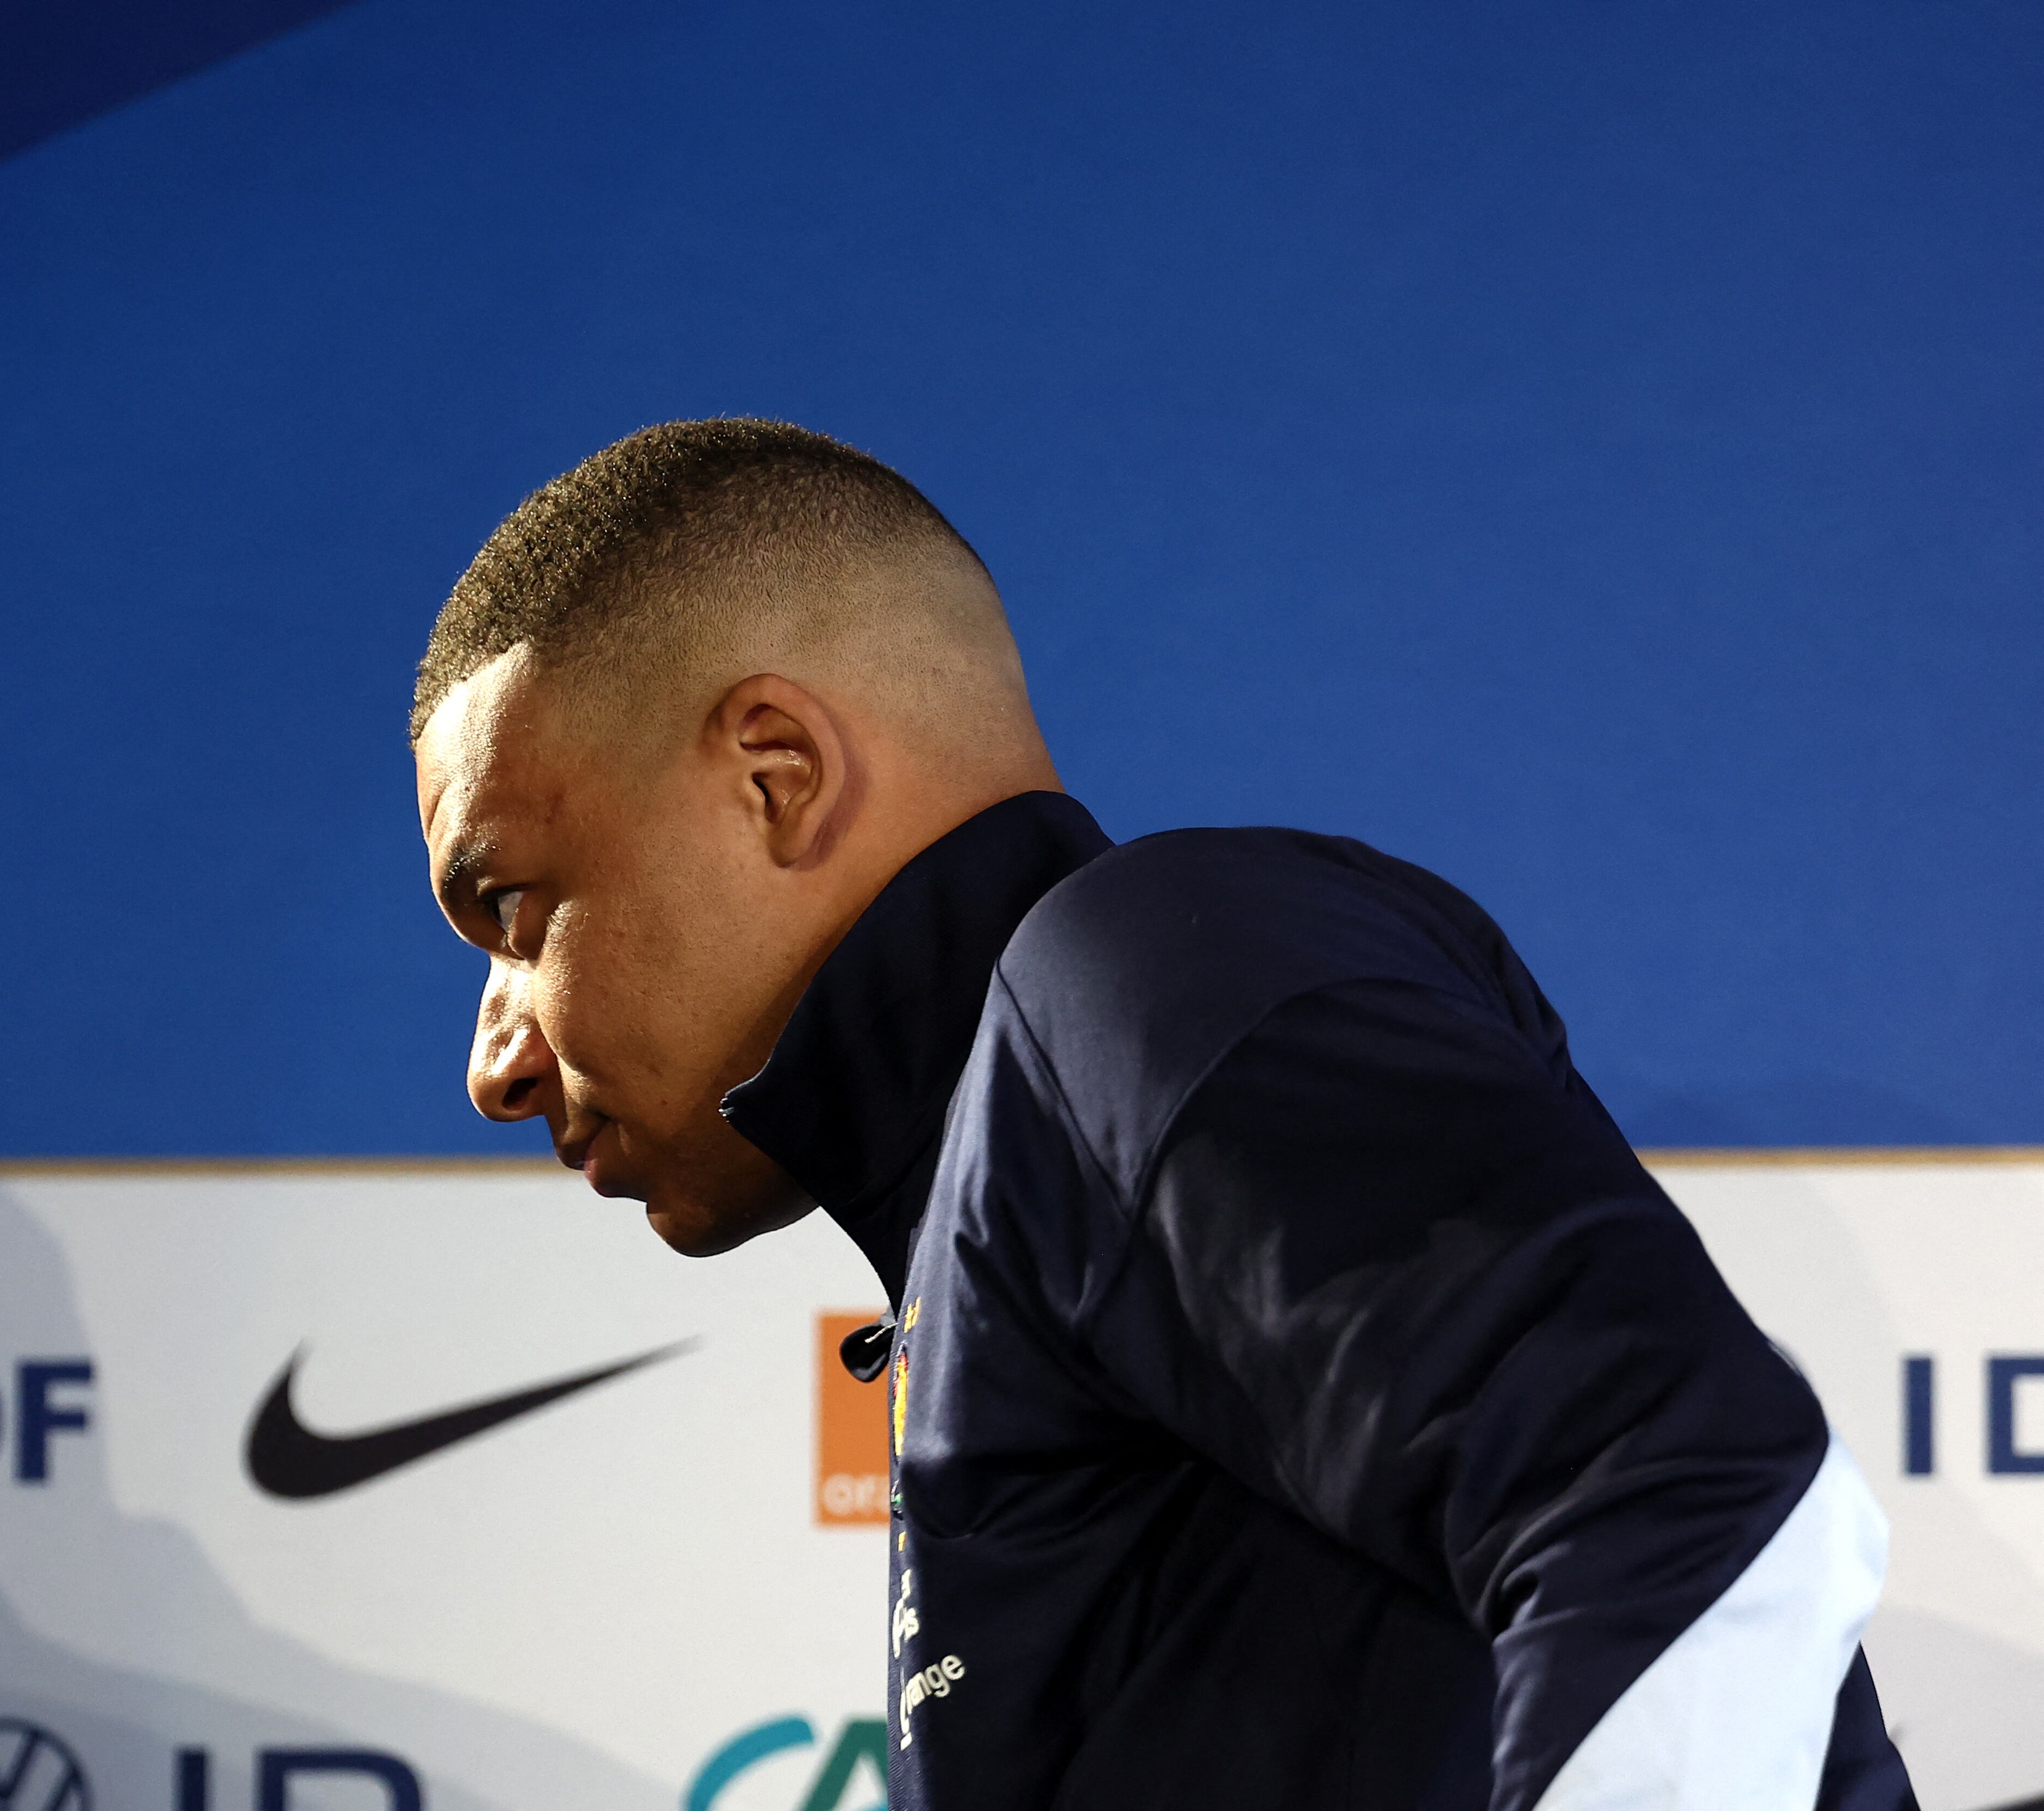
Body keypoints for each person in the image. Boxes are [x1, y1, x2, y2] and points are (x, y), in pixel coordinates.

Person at [407, 417, 1916, 1811]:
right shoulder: (1004, 1199)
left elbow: (1700, 1509)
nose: (496, 1061)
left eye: (514, 908)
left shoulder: (1120, 977)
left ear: (776, 776)